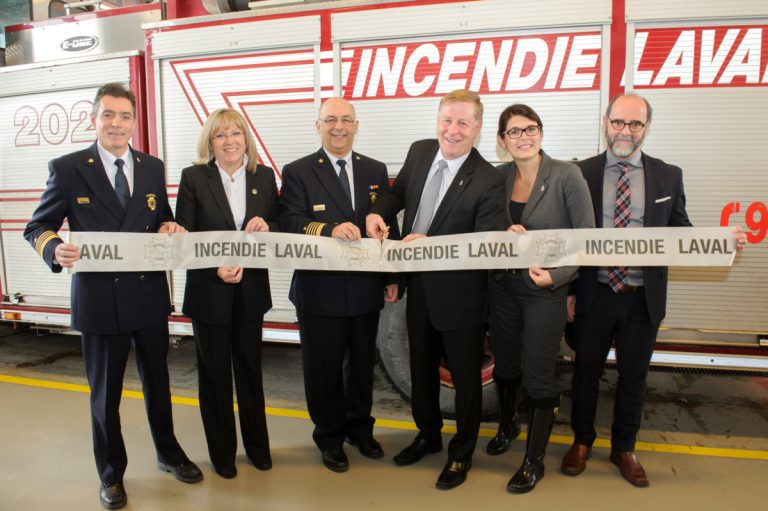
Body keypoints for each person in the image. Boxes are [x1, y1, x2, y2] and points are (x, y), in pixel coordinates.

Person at [23, 83, 202, 510]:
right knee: (106, 396)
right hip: (101, 302)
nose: (116, 124)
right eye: (108, 115)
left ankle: (169, 453)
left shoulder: (152, 166)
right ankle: (111, 474)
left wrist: (169, 228)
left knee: (159, 385)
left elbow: (161, 218)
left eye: (124, 116)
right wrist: (53, 248)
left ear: (134, 123)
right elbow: (38, 226)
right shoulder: (67, 168)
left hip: (148, 298)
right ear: (94, 119)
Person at [562, 92, 746, 486]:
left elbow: (680, 230)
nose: (625, 131)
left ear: (646, 128)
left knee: (634, 377)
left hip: (642, 298)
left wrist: (720, 240)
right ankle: (581, 441)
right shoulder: (580, 172)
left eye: (635, 124)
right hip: (593, 294)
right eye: (618, 122)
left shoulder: (668, 175)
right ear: (605, 123)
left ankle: (624, 448)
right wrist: (568, 291)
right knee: (585, 374)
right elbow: (568, 236)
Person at [366, 89, 506, 490]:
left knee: (465, 379)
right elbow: (397, 193)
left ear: (478, 128)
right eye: (447, 120)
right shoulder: (420, 151)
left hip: (460, 295)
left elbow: (485, 244)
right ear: (437, 121)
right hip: (418, 288)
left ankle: (461, 455)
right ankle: (427, 436)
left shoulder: (489, 179)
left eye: (463, 122)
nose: (453, 130)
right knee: (421, 370)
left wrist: (431, 245)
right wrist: (378, 212)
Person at [279, 97, 398, 473]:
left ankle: (360, 430)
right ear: (318, 126)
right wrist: (329, 230)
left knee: (362, 366)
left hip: (365, 288)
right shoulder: (298, 171)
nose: (339, 127)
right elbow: (290, 221)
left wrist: (393, 276)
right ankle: (329, 438)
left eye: (346, 119)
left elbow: (388, 228)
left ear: (356, 125)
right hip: (319, 290)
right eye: (330, 119)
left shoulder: (375, 170)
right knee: (323, 369)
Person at [485, 104, 594, 493]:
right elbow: (481, 225)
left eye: (530, 129)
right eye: (514, 132)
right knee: (506, 366)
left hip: (544, 292)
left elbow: (586, 238)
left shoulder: (566, 175)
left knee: (538, 374)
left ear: (541, 133)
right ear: (502, 141)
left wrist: (557, 276)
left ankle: (534, 461)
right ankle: (508, 425)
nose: (523, 137)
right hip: (503, 288)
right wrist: (502, 231)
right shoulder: (497, 177)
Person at [175, 108, 278, 479]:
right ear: (210, 142)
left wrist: (268, 224)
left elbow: (278, 224)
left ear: (245, 137)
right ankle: (222, 454)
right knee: (215, 376)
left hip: (251, 291)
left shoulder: (263, 177)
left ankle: (258, 449)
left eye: (235, 133)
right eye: (220, 135)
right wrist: (214, 267)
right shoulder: (193, 178)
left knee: (251, 372)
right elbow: (183, 237)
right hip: (208, 291)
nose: (230, 141)